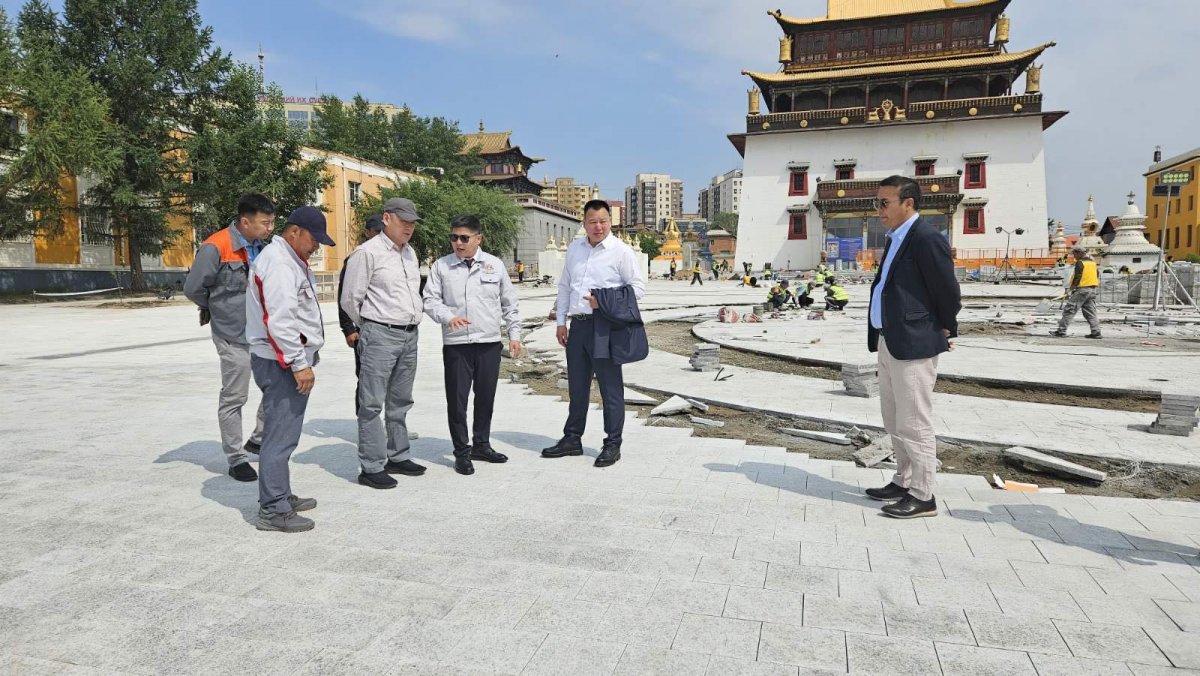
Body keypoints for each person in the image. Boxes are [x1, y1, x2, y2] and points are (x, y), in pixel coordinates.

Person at [864, 175, 961, 519]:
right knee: (893, 417)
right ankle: (903, 480)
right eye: (877, 203)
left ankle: (923, 494)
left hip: (914, 342)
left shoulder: (926, 238)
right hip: (890, 338)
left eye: (884, 203)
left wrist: (946, 326)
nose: (879, 210)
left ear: (908, 203)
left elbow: (947, 290)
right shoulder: (895, 238)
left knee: (914, 420)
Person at [245, 206, 333, 533]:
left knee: (285, 434)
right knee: (279, 437)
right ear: (294, 232)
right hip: (280, 362)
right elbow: (279, 321)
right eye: (314, 239)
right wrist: (298, 364)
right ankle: (273, 509)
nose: (317, 246)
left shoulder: (289, 260)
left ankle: (280, 494)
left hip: (282, 359)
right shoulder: (280, 264)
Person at [542, 199, 646, 468]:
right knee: (577, 387)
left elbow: (638, 288)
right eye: (592, 222)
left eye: (603, 221)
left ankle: (612, 443)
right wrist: (561, 322)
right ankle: (572, 438)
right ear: (584, 223)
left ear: (610, 222)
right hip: (578, 326)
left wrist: (605, 302)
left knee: (610, 388)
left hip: (605, 327)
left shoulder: (621, 251)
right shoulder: (575, 249)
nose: (598, 227)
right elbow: (565, 286)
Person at [183, 193, 274, 483]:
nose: (270, 228)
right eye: (265, 223)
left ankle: (258, 440)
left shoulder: (264, 248)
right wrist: (217, 309)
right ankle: (236, 458)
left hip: (262, 334)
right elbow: (193, 288)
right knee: (235, 396)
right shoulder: (216, 246)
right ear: (245, 222)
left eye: (272, 222)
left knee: (276, 388)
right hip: (232, 335)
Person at [424, 215, 522, 476]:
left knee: (486, 397)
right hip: (457, 344)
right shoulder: (442, 266)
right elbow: (430, 300)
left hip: (489, 343)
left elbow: (509, 303)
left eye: (464, 238)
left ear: (479, 239)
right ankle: (461, 452)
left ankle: (481, 444)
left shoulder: (494, 265)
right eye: (454, 237)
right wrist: (448, 317)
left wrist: (514, 335)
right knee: (457, 401)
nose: (458, 242)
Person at [340, 197, 427, 489]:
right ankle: (371, 466)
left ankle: (398, 455)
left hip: (409, 335)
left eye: (412, 223)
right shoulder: (367, 253)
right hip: (380, 334)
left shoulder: (410, 253)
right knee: (372, 403)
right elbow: (350, 299)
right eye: (404, 222)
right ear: (387, 219)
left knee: (400, 400)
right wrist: (371, 326)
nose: (409, 228)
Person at [339, 214, 384, 410]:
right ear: (367, 233)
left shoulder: (390, 257)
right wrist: (349, 329)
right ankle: (365, 421)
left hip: (387, 330)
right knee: (366, 377)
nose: (381, 236)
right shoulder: (357, 257)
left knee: (389, 379)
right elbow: (345, 297)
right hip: (363, 329)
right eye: (377, 232)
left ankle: (388, 422)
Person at [1051, 246, 1101, 339]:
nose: (1074, 256)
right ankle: (1096, 332)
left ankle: (1061, 331)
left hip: (1082, 290)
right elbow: (1097, 274)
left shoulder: (1080, 262)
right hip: (1092, 290)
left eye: (1075, 254)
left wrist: (1072, 288)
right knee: (1090, 312)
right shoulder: (1093, 263)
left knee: (1069, 310)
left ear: (1079, 253)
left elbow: (1078, 276)